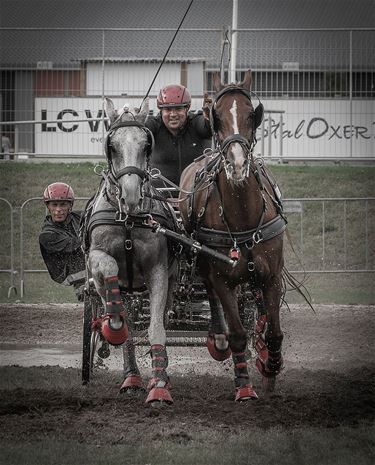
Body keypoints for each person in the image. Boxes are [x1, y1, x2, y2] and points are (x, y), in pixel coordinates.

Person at [145, 84, 213, 190]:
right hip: (159, 197)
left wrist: (210, 117)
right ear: (161, 111)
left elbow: (207, 128)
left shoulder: (197, 123)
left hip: (196, 195)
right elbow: (140, 131)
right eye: (167, 109)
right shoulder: (154, 125)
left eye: (178, 109)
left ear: (187, 109)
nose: (173, 114)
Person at [39, 182, 86, 300]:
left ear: (70, 205)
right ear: (48, 206)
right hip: (70, 272)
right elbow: (78, 245)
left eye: (63, 204)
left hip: (88, 264)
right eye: (54, 205)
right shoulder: (47, 235)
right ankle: (83, 289)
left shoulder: (78, 216)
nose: (58, 209)